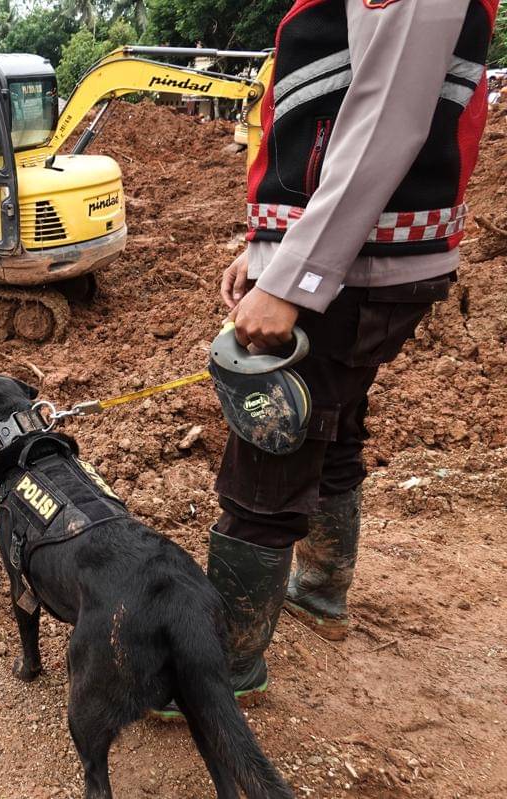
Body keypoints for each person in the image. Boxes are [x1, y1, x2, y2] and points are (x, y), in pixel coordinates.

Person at [207, 0, 498, 703]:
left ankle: (219, 670)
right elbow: (322, 116)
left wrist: (296, 279)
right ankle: (322, 590)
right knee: (332, 417)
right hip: (353, 260)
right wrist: (268, 247)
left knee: (268, 452)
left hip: (352, 268)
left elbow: (383, 124)